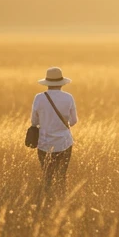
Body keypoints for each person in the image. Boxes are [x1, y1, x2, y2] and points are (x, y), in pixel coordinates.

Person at [31, 66, 78, 201]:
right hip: (65, 142)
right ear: (61, 82)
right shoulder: (68, 98)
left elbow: (34, 122)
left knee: (47, 175)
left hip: (44, 143)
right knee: (61, 175)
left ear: (47, 82)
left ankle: (46, 200)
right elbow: (74, 121)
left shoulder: (38, 98)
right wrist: (61, 128)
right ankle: (62, 201)